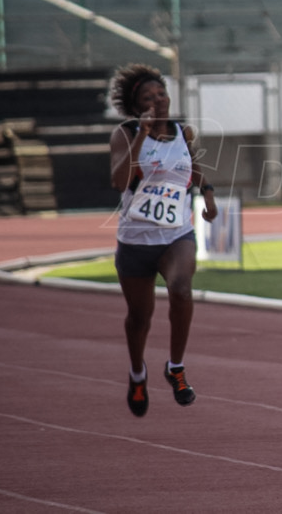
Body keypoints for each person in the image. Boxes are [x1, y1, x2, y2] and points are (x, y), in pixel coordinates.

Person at [109, 64, 218, 417]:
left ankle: (176, 368)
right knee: (139, 317)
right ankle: (137, 373)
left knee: (182, 291)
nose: (158, 101)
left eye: (161, 94)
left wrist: (209, 195)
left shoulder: (183, 131)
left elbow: (193, 166)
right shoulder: (124, 135)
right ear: (136, 106)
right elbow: (120, 181)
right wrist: (141, 134)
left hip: (176, 235)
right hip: (136, 240)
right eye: (148, 98)